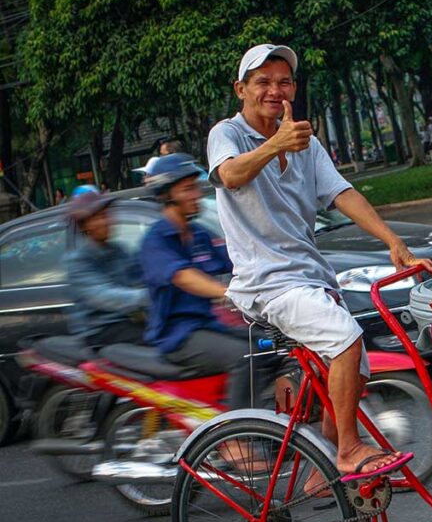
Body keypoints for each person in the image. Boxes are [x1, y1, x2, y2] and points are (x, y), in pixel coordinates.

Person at [206, 43, 432, 480]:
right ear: (241, 89)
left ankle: (325, 467)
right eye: (263, 82)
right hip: (268, 283)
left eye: (284, 82)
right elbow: (230, 175)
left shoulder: (303, 142)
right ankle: (349, 449)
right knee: (346, 340)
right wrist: (275, 142)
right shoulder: (228, 134)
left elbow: (342, 193)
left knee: (358, 366)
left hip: (311, 276)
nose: (275, 90)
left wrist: (393, 241)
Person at [139, 154, 280, 411]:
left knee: (270, 343)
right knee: (245, 357)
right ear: (167, 195)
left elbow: (236, 261)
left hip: (207, 325)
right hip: (178, 336)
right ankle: (240, 433)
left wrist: (275, 271)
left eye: (195, 187)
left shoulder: (199, 235)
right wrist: (227, 292)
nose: (196, 194)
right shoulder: (155, 240)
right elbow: (183, 277)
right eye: (187, 189)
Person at [65, 192, 148, 347]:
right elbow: (103, 296)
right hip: (99, 330)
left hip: (125, 322)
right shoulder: (79, 260)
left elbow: (139, 277)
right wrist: (149, 295)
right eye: (99, 217)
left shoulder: (119, 250)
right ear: (86, 226)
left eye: (107, 215)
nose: (107, 221)